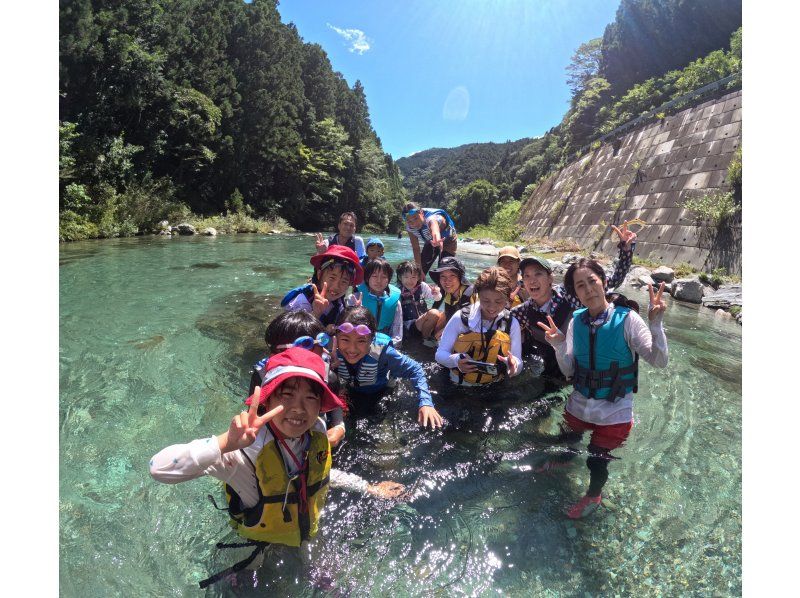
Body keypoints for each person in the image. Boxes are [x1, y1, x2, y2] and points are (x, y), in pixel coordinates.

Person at [149, 349, 405, 588]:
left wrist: (367, 487)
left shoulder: (313, 433)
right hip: (254, 545)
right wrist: (224, 442)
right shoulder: (245, 453)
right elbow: (158, 468)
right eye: (287, 395)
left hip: (304, 534)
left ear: (320, 406)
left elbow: (319, 476)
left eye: (310, 397)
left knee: (331, 583)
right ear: (268, 399)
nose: (298, 408)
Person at [536, 259, 668, 519]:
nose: (588, 290)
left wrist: (656, 324)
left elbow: (659, 361)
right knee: (566, 442)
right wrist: (559, 346)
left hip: (614, 413)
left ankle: (594, 493)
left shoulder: (627, 319)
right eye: (580, 286)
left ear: (604, 282)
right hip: (579, 405)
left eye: (592, 282)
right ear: (575, 293)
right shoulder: (576, 322)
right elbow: (569, 372)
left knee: (596, 460)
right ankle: (563, 461)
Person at [510, 224, 637, 380]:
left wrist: (626, 250)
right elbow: (499, 320)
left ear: (550, 278)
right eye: (527, 276)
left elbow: (612, 281)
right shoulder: (523, 311)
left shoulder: (569, 294)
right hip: (547, 368)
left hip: (580, 367)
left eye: (538, 274)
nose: (532, 281)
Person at [331, 306, 443, 429]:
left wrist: (426, 402)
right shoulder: (331, 352)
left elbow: (415, 369)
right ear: (336, 337)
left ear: (372, 339)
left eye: (361, 341)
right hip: (351, 391)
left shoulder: (384, 353)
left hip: (381, 392)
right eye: (345, 339)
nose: (352, 349)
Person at [250, 310, 346, 447]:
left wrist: (339, 429)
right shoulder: (261, 375)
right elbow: (254, 415)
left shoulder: (328, 377)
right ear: (273, 353)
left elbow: (337, 414)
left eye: (320, 347)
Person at [435, 267, 523, 386]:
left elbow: (518, 361)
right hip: (457, 384)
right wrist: (456, 361)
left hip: (493, 386)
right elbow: (440, 354)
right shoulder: (461, 318)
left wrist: (513, 365)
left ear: (507, 299)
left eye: (498, 301)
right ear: (477, 296)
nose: (491, 308)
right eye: (486, 300)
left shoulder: (511, 323)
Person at [281, 245, 364, 330]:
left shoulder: (339, 303)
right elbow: (290, 336)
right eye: (332, 278)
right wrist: (315, 314)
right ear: (319, 274)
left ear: (349, 284)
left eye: (344, 281)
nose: (336, 286)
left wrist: (354, 315)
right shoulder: (301, 302)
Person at [350, 258, 403, 347]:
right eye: (374, 276)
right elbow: (347, 327)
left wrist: (388, 347)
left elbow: (397, 333)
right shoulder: (356, 298)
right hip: (360, 339)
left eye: (384, 277)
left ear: (388, 280)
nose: (379, 281)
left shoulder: (396, 302)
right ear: (367, 278)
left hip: (385, 342)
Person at [401, 201, 458, 277]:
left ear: (421, 212)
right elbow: (416, 248)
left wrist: (436, 239)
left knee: (445, 270)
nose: (414, 223)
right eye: (410, 221)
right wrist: (419, 269)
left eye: (415, 218)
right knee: (418, 271)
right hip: (430, 241)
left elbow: (435, 228)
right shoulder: (410, 228)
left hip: (448, 241)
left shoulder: (432, 218)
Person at [429, 256, 477, 339]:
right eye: (443, 276)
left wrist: (446, 331)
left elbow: (478, 324)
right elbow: (448, 315)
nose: (447, 281)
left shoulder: (473, 294)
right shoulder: (449, 294)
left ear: (460, 278)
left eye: (452, 276)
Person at [396, 260, 442, 345]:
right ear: (400, 277)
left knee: (443, 316)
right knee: (434, 313)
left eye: (413, 277)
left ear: (418, 277)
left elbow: (437, 299)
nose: (410, 281)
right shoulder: (397, 291)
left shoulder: (422, 286)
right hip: (408, 326)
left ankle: (436, 336)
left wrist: (436, 293)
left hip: (422, 321)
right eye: (406, 277)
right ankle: (425, 340)